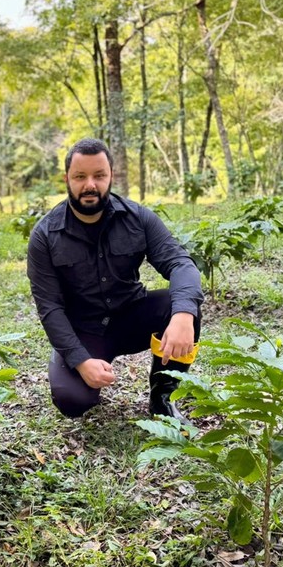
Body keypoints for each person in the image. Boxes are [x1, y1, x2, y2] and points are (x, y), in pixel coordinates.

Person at [26, 138, 204, 421]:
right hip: (84, 331)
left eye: (99, 175)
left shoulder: (139, 218)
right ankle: (79, 370)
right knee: (72, 401)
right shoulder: (45, 235)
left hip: (132, 316)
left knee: (181, 303)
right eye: (80, 176)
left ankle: (163, 398)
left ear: (111, 176)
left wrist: (183, 315)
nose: (90, 185)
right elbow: (49, 307)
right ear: (67, 179)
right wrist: (81, 361)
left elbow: (181, 263)